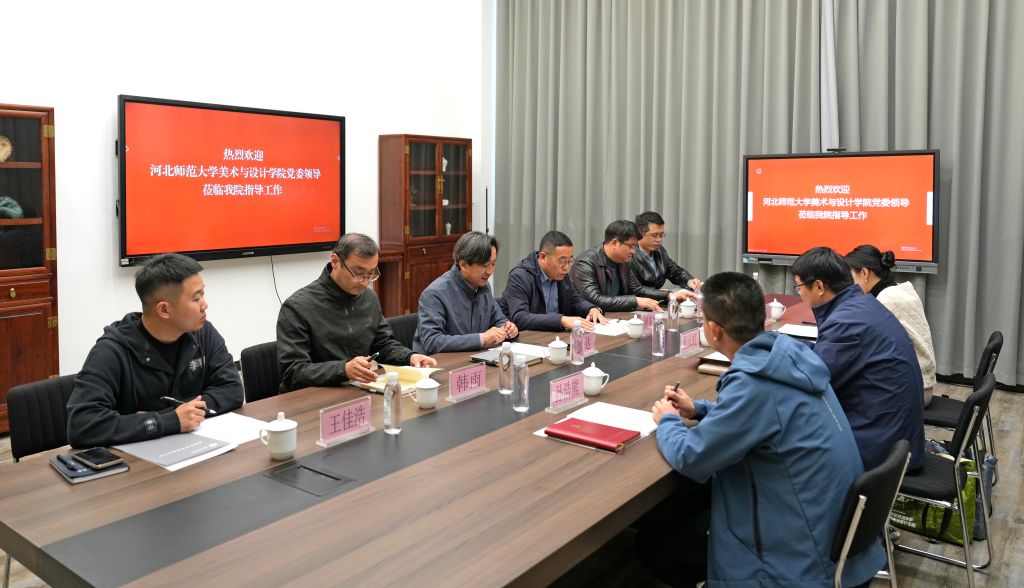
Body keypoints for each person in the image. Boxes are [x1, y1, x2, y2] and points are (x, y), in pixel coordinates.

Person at [646, 271, 883, 587]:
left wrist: (668, 420)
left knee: (655, 544)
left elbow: (692, 457)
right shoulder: (787, 359)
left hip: (798, 561)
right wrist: (700, 409)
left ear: (714, 329)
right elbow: (769, 420)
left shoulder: (754, 384)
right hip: (833, 539)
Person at [66, 253, 243, 448]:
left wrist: (181, 415)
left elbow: (232, 390)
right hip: (135, 461)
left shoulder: (202, 333)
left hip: (192, 449)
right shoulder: (111, 351)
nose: (205, 304)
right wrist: (170, 420)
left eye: (203, 294)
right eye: (196, 298)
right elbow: (82, 425)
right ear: (164, 310)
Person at [793, 246, 925, 471]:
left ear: (819, 286)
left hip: (880, 448)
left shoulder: (847, 322)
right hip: (895, 436)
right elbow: (827, 358)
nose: (799, 294)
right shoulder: (863, 305)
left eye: (799, 287)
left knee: (785, 433)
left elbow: (812, 382)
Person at [277, 234, 436, 392]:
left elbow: (383, 345)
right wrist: (343, 369)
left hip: (355, 390)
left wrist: (409, 357)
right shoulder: (298, 306)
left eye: (371, 274)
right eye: (358, 273)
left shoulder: (369, 298)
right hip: (312, 397)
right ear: (335, 261)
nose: (365, 282)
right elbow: (292, 372)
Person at [846, 245, 937, 407]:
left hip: (913, 391)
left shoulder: (886, 300)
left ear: (865, 273)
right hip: (921, 385)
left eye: (851, 274)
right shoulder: (899, 290)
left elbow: (864, 345)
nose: (850, 282)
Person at [413, 231, 518, 354]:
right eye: (485, 265)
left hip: (474, 358)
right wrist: (482, 339)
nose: (490, 271)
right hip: (440, 363)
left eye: (493, 264)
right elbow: (432, 341)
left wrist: (507, 327)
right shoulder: (434, 294)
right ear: (463, 265)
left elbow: (498, 319)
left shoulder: (483, 286)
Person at [499, 230, 607, 331]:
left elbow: (574, 300)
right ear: (543, 257)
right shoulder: (520, 276)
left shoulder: (561, 275)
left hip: (554, 335)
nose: (566, 267)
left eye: (570, 261)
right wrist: (561, 320)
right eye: (562, 261)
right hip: (527, 337)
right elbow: (520, 317)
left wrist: (591, 309)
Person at [570, 220, 685, 313]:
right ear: (614, 243)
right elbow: (594, 299)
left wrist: (668, 295)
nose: (633, 252)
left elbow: (637, 289)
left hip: (616, 317)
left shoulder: (623, 260)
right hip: (591, 320)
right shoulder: (585, 263)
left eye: (635, 247)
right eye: (631, 246)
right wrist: (635, 301)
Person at [631, 211, 701, 296]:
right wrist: (666, 294)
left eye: (661, 235)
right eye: (654, 235)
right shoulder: (629, 255)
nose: (659, 240)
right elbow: (635, 289)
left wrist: (689, 281)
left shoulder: (660, 251)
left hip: (659, 299)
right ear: (640, 234)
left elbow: (676, 272)